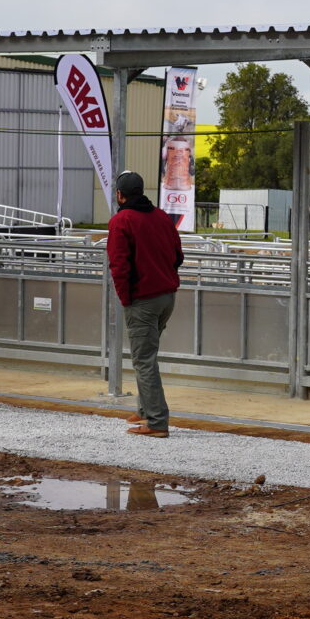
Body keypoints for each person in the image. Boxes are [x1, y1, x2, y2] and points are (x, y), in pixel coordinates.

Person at [105, 170, 183, 437]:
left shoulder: (121, 221)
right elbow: (178, 255)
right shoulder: (161, 216)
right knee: (148, 354)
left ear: (120, 195)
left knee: (144, 359)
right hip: (166, 296)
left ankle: (157, 421)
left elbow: (119, 265)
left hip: (143, 299)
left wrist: (126, 299)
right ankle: (144, 408)